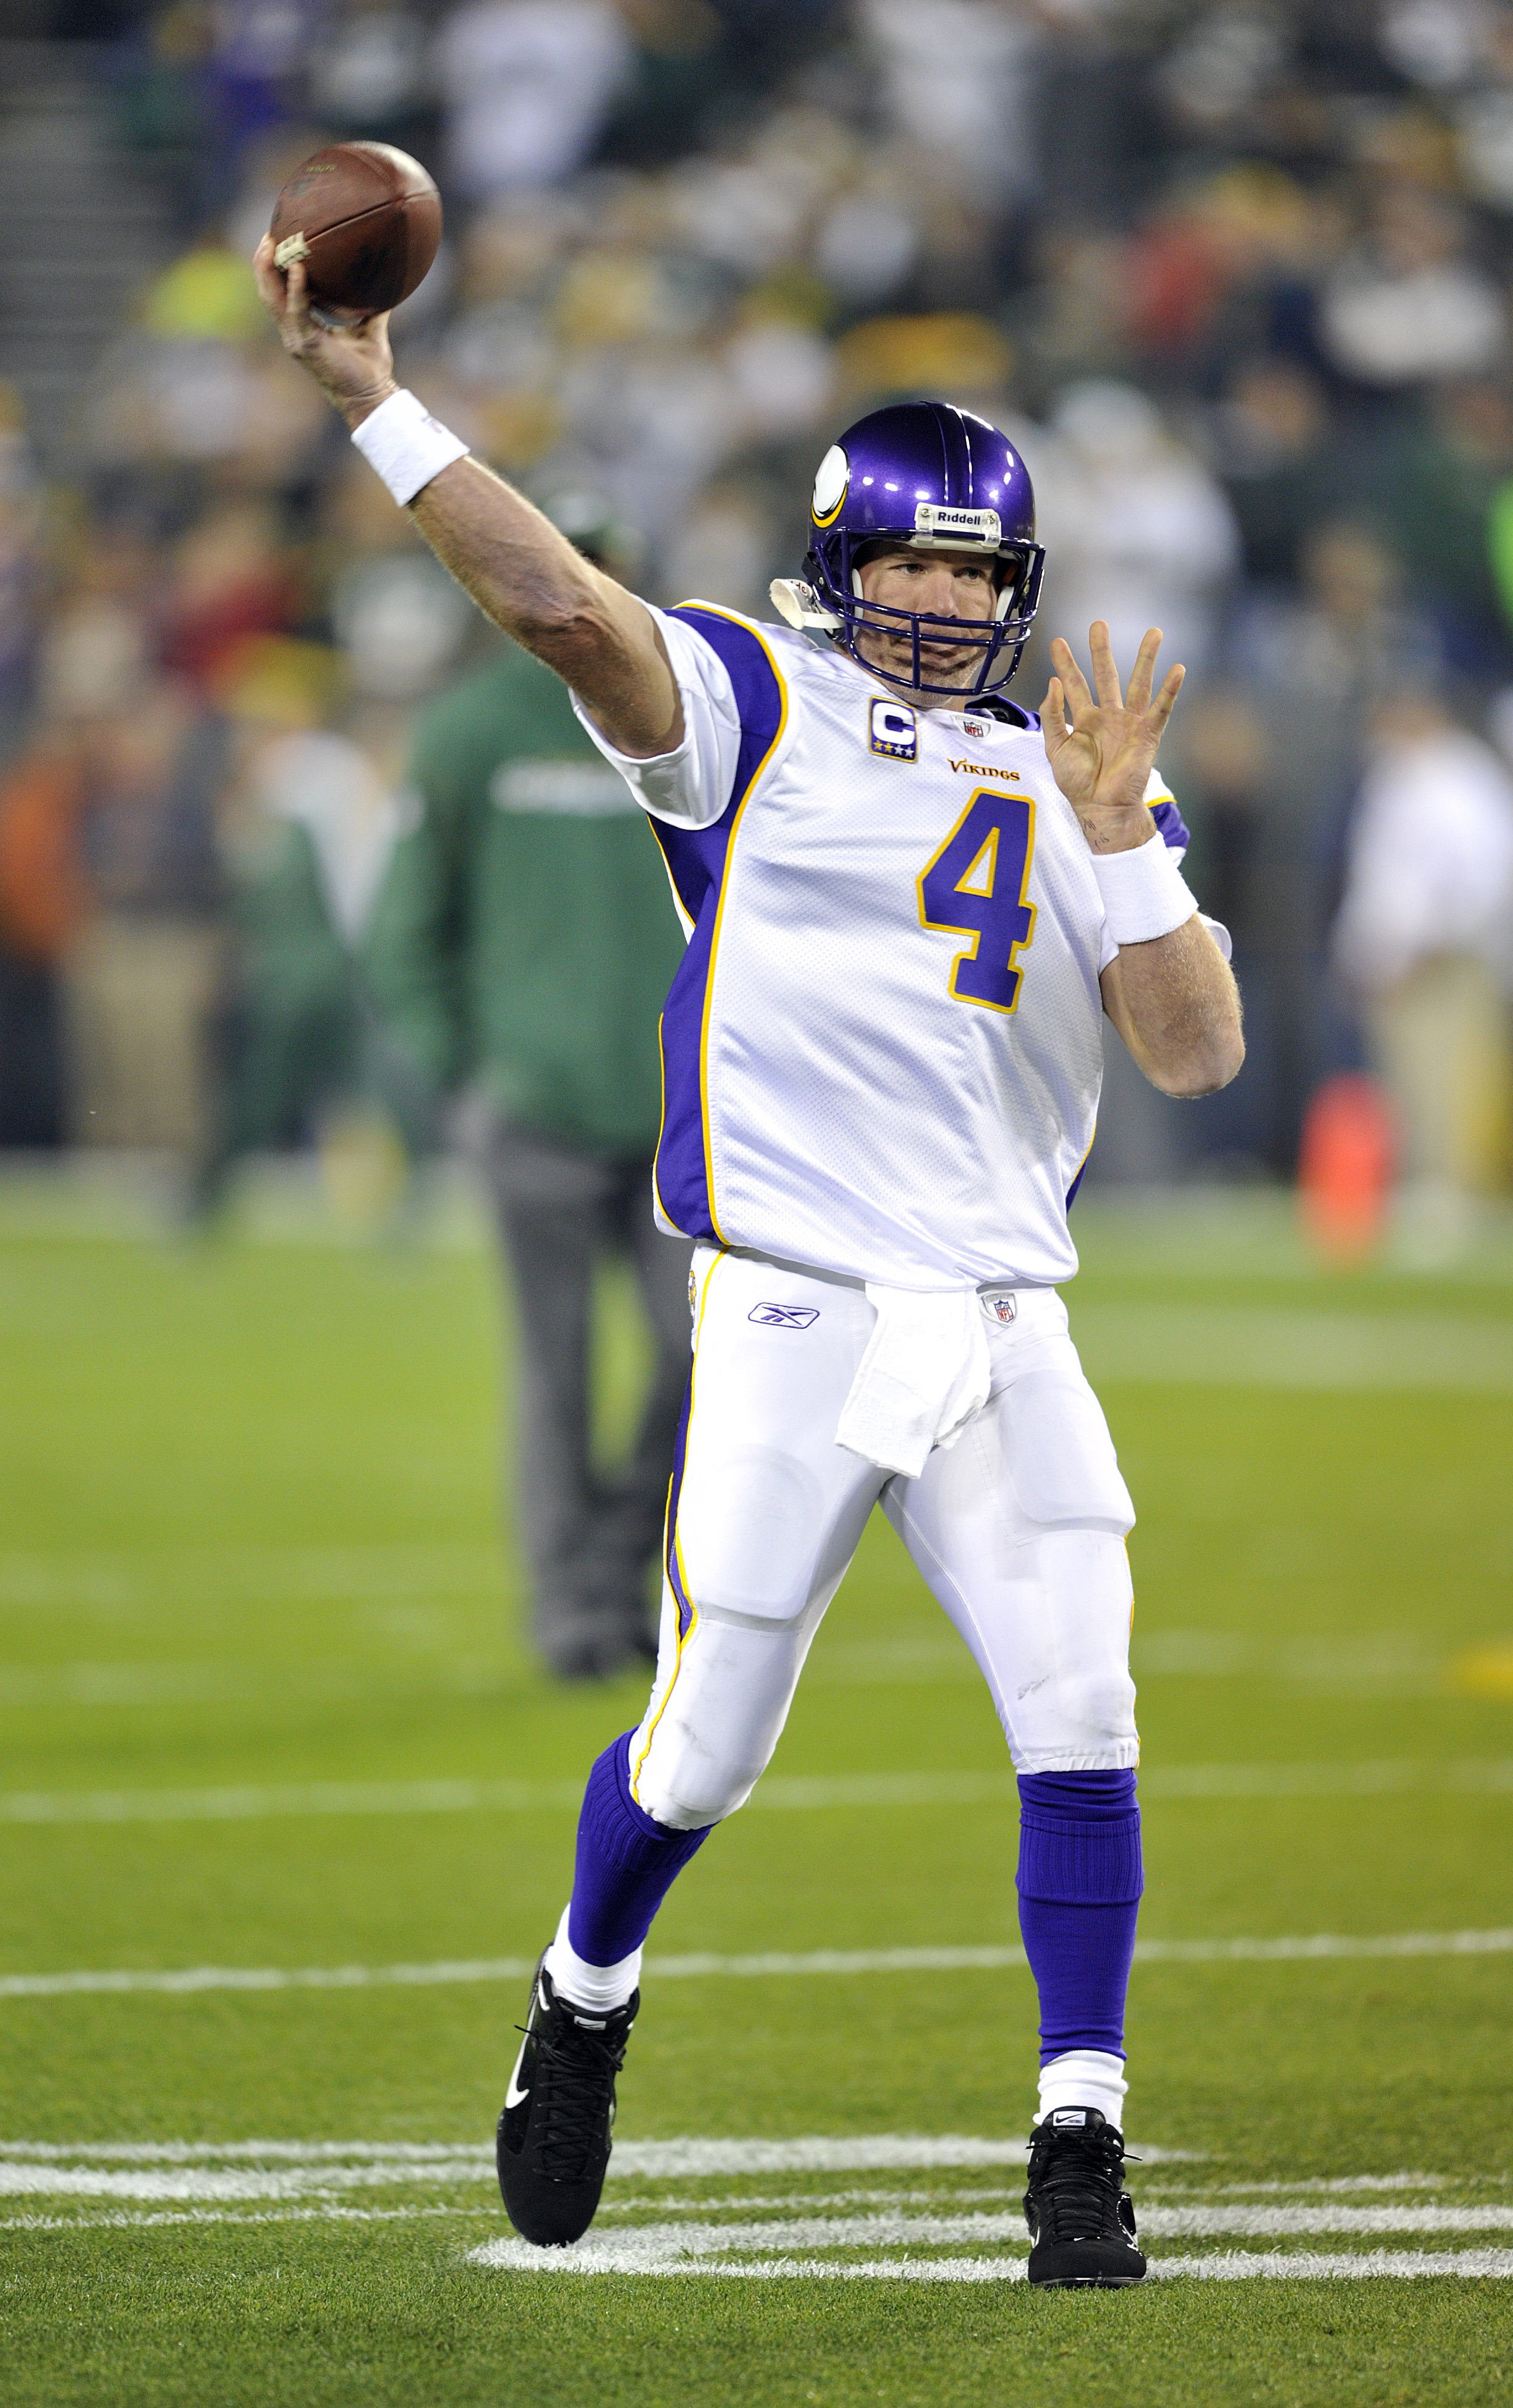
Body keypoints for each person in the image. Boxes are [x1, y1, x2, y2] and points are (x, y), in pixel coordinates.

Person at [256, 236, 1244, 2290]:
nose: (951, 604)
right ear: (839, 565)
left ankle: (1077, 2129)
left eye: (984, 575)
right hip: (791, 1298)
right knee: (705, 1736)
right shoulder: (750, 693)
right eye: (920, 568)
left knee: (1085, 1710)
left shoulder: (1071, 776)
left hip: (991, 1311)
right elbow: (552, 599)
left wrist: (1130, 835)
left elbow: (1189, 1047)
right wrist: (377, 401)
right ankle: (581, 1991)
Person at [362, 497, 692, 1679]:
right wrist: (469, 1077)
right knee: (551, 1376)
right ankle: (574, 1615)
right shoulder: (470, 731)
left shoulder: (685, 720)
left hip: (680, 1120)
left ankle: (627, 1580)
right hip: (535, 1109)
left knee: (694, 1359)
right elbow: (409, 926)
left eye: (596, 574)